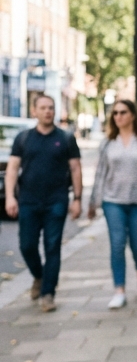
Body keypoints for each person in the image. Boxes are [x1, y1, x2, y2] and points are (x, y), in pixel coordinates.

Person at [4, 94, 82, 313]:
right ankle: (38, 275)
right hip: (28, 201)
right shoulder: (23, 138)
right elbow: (12, 168)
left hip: (56, 201)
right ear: (34, 111)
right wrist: (10, 196)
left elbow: (75, 168)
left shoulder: (65, 138)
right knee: (27, 245)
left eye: (51, 107)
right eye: (44, 108)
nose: (48, 111)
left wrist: (77, 199)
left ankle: (48, 293)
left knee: (52, 247)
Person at [88, 99, 137, 310]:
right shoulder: (108, 143)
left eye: (123, 112)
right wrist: (93, 201)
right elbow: (100, 174)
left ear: (133, 115)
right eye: (115, 113)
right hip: (113, 201)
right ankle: (119, 290)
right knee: (117, 243)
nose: (118, 116)